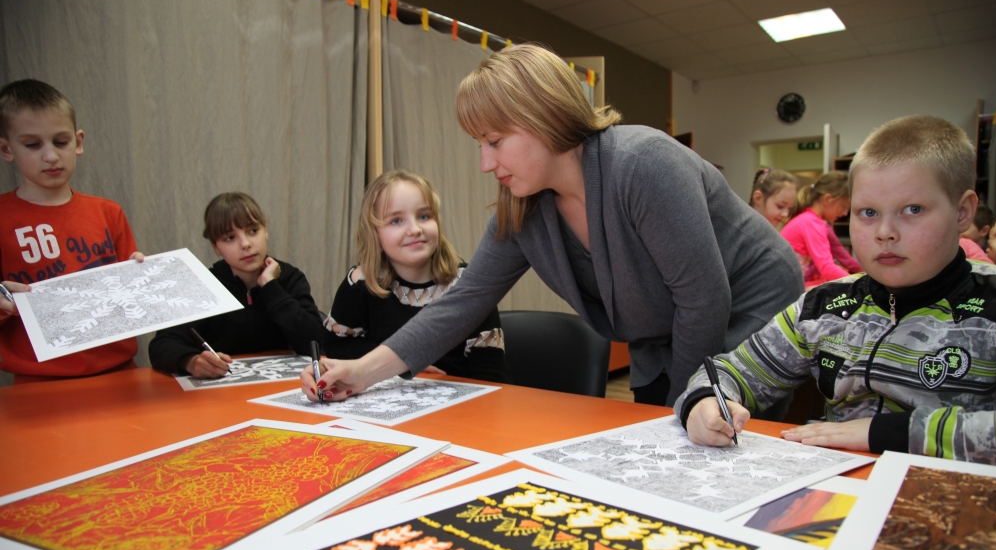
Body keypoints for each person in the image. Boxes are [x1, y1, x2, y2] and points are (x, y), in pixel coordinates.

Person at [302, 44, 802, 408]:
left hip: (750, 309)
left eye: (494, 141)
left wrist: (687, 404)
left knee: (707, 433)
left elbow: (704, 298)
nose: (484, 162)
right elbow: (461, 303)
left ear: (542, 117)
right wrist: (361, 372)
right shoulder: (522, 209)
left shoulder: (644, 163)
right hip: (669, 331)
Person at [680, 115, 996, 467]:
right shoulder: (822, 305)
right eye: (868, 212)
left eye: (913, 210)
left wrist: (888, 433)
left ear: (963, 212)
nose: (885, 232)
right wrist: (704, 402)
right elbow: (730, 371)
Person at [0, 79, 144, 379]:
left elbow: (132, 305)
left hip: (119, 373)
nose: (50, 156)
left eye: (60, 142)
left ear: (78, 142)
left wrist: (141, 278)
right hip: (38, 381)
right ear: (6, 148)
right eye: (32, 145)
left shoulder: (107, 212)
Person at [323, 170, 511, 383]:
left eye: (424, 216)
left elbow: (491, 373)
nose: (415, 229)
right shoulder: (360, 283)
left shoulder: (469, 283)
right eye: (396, 221)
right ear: (374, 233)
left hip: (459, 404)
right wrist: (401, 363)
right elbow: (334, 345)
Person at [148, 192, 323, 377]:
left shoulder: (290, 278)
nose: (245, 244)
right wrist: (191, 361)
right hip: (219, 391)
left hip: (282, 386)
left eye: (253, 231)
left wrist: (271, 286)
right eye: (230, 238)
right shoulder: (204, 284)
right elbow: (161, 345)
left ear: (266, 231)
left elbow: (316, 341)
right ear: (216, 248)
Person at [781, 172, 862, 286]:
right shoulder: (811, 223)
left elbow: (839, 262)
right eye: (844, 207)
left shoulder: (811, 220)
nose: (844, 213)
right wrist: (859, 284)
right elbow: (827, 267)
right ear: (828, 199)